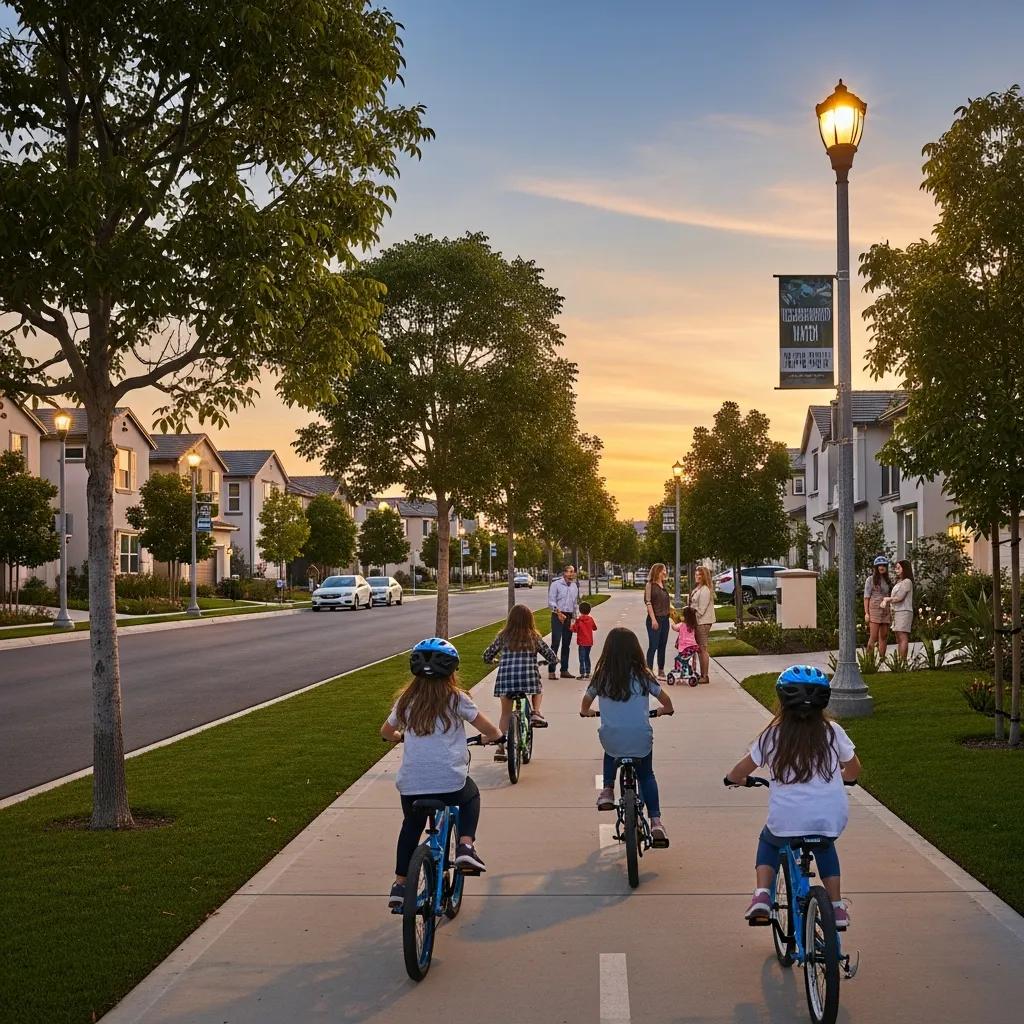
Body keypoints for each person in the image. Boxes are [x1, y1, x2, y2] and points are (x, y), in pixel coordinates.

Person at [725, 665, 861, 930]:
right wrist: (844, 778)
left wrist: (734, 779)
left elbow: (741, 770)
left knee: (769, 841)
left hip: (786, 821)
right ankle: (836, 906)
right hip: (829, 818)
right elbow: (854, 768)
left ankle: (762, 895)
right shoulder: (833, 732)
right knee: (824, 844)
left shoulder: (772, 735)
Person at [380, 637, 503, 909]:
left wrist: (401, 736)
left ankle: (400, 885)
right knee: (470, 795)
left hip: (411, 785)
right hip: (450, 783)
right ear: (452, 671)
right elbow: (490, 729)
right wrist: (494, 737)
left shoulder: (406, 701)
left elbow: (385, 732)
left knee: (411, 828)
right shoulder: (456, 698)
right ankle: (466, 846)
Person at [580, 626, 674, 847]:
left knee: (610, 749)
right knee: (647, 775)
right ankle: (656, 822)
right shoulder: (643, 675)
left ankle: (608, 790)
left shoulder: (602, 676)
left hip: (612, 739)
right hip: (640, 739)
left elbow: (585, 704)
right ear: (635, 650)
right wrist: (662, 711)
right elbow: (667, 703)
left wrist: (588, 713)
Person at [484, 604, 558, 762]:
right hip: (528, 679)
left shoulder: (503, 636)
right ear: (529, 620)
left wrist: (493, 660)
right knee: (538, 689)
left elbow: (487, 655)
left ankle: (500, 748)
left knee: (505, 714)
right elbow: (550, 655)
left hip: (506, 680)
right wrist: (552, 661)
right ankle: (536, 713)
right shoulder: (533, 636)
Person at [547, 564, 580, 679]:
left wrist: (575, 618)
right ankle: (551, 671)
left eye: (573, 572)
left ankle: (564, 670)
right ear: (564, 573)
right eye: (570, 572)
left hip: (569, 616)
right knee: (555, 642)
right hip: (557, 615)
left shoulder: (575, 586)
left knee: (567, 643)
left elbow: (575, 604)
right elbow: (551, 601)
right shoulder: (556, 585)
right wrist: (558, 612)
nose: (572, 574)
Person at [644, 562, 671, 679]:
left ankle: (661, 669)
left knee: (662, 645)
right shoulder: (650, 585)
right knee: (653, 645)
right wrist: (653, 619)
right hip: (654, 619)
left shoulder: (664, 584)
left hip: (665, 619)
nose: (665, 572)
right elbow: (648, 603)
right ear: (658, 571)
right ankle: (648, 670)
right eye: (663, 570)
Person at [882, 559, 914, 659]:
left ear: (904, 569)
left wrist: (888, 599)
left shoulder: (907, 581)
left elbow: (900, 597)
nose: (896, 570)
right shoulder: (899, 581)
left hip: (904, 611)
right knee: (898, 637)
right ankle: (900, 661)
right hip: (896, 611)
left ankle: (902, 661)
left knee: (902, 636)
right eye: (896, 568)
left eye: (899, 568)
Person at [689, 565, 716, 684]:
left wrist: (690, 614)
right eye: (696, 574)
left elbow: (701, 610)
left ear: (704, 576)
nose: (697, 576)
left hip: (702, 622)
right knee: (700, 649)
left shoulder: (705, 590)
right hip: (698, 622)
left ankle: (705, 676)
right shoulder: (698, 588)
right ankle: (702, 674)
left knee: (703, 648)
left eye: (700, 574)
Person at [863, 555, 892, 660]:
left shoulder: (888, 580)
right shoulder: (870, 580)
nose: (882, 567)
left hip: (885, 610)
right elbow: (866, 597)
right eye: (879, 565)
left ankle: (882, 658)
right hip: (874, 609)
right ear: (876, 567)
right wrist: (866, 613)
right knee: (873, 636)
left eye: (884, 565)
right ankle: (869, 660)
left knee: (884, 635)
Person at [668, 605, 700, 684]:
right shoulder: (693, 625)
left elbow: (674, 627)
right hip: (693, 647)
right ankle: (688, 670)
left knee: (678, 659)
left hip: (685, 648)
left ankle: (678, 671)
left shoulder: (682, 625)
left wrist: (673, 622)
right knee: (686, 660)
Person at [571, 601, 598, 678]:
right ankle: (588, 672)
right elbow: (595, 628)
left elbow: (574, 629)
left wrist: (571, 625)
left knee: (581, 658)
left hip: (582, 642)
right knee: (587, 656)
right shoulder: (590, 619)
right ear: (589, 610)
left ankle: (582, 673)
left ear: (580, 610)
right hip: (589, 642)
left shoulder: (579, 620)